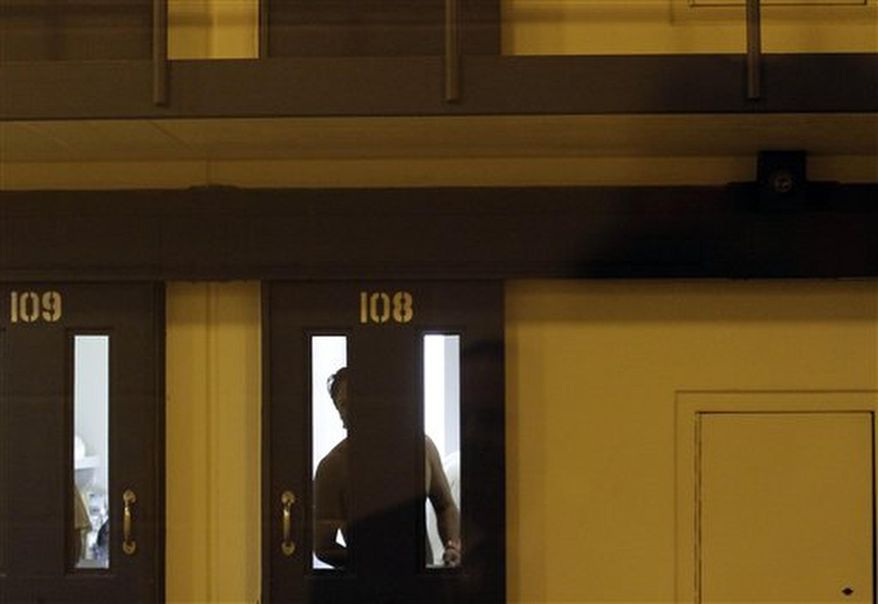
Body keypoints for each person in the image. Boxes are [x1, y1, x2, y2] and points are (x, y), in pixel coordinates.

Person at [314, 367, 461, 568]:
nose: (356, 409)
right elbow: (323, 547)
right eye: (346, 404)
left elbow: (445, 506)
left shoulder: (421, 447)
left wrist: (452, 546)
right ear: (339, 413)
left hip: (422, 584)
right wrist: (372, 565)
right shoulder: (333, 467)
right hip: (366, 588)